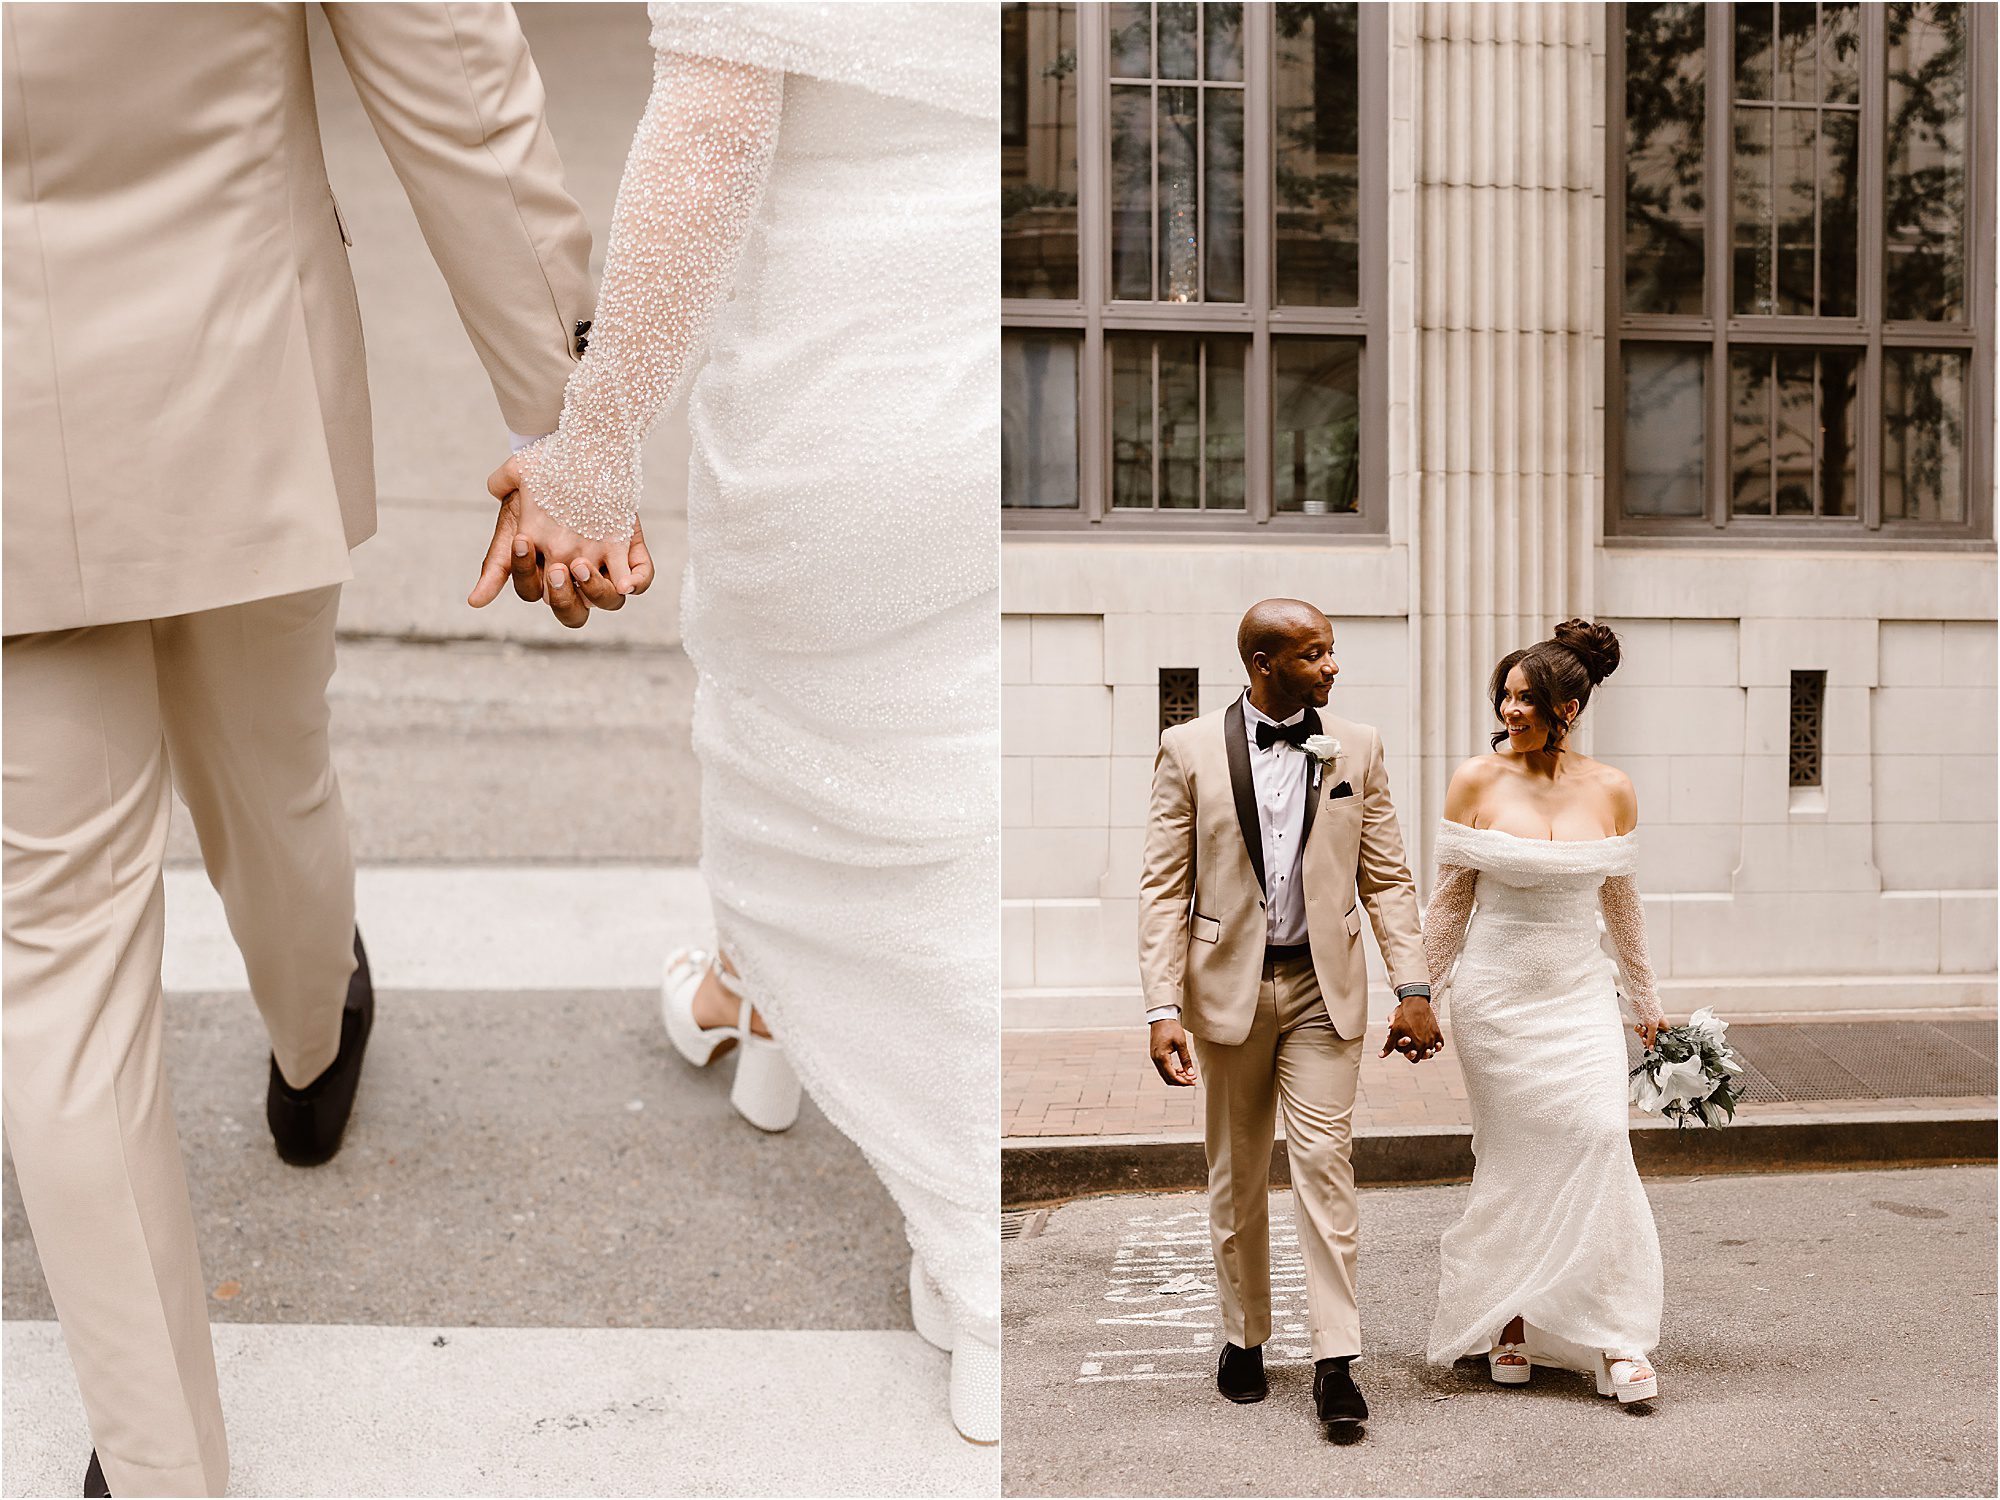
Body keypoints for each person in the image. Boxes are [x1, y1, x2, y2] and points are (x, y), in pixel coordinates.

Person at [1, 7, 595, 1493]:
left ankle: (160, 1471)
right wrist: (575, 426)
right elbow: (457, 82)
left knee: (59, 967)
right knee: (272, 776)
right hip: (241, 383)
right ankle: (315, 1046)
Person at [473, 3, 1000, 1444]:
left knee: (801, 752)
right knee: (943, 781)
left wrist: (594, 444)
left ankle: (971, 1243)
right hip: (1000, 379)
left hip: (850, 386)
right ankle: (758, 1004)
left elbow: (709, 137)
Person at [1138, 598, 1438, 1438]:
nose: (1332, 666)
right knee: (1237, 1173)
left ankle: (1336, 1360)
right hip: (1225, 990)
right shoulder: (1187, 750)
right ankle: (1243, 1336)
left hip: (1322, 988)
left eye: (1332, 651)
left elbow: (1387, 877)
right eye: (1315, 654)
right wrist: (1161, 1006)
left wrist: (1414, 987)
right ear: (1266, 663)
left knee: (1325, 1166)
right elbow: (1163, 888)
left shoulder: (1360, 747)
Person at [1420, 619, 1666, 1404]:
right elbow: (1448, 905)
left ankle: (1617, 1339)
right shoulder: (1475, 781)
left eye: (1528, 698)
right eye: (1506, 694)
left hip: (1579, 998)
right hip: (1495, 1001)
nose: (1509, 708)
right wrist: (1416, 995)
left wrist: (1645, 1003)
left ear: (1570, 706)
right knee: (1514, 1157)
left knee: (1599, 1138)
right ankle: (1510, 1318)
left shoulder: (1614, 788)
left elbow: (1622, 905)